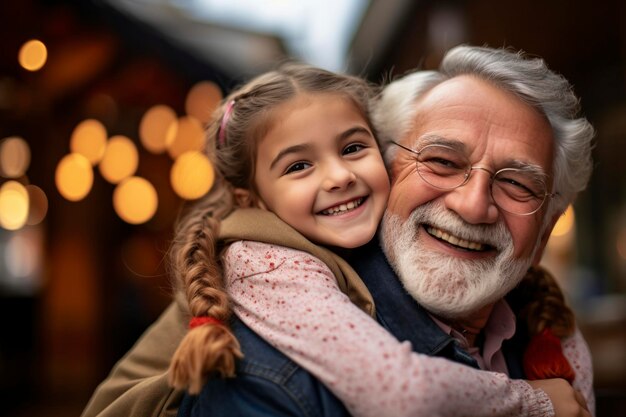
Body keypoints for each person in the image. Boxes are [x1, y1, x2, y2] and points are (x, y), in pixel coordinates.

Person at [81, 46, 594, 417]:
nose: (473, 203)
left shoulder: (545, 338)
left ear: (546, 230)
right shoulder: (271, 361)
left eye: (517, 185)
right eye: (441, 160)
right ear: (394, 173)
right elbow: (403, 393)